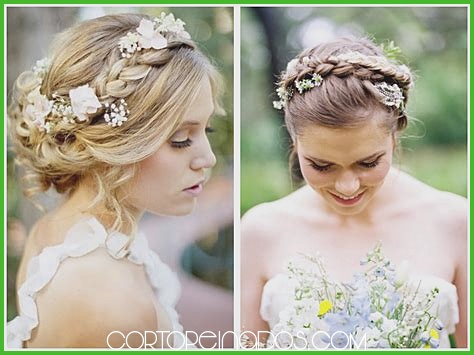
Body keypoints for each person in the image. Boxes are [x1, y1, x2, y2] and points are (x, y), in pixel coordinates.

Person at [7, 12, 225, 348]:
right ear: (113, 143)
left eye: (205, 129)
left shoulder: (56, 231)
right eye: (181, 138)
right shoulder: (113, 306)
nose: (207, 158)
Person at [241, 37, 467, 348]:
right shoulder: (260, 230)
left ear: (395, 135)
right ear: (294, 143)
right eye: (322, 165)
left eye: (368, 162)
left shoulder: (455, 221)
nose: (347, 186)